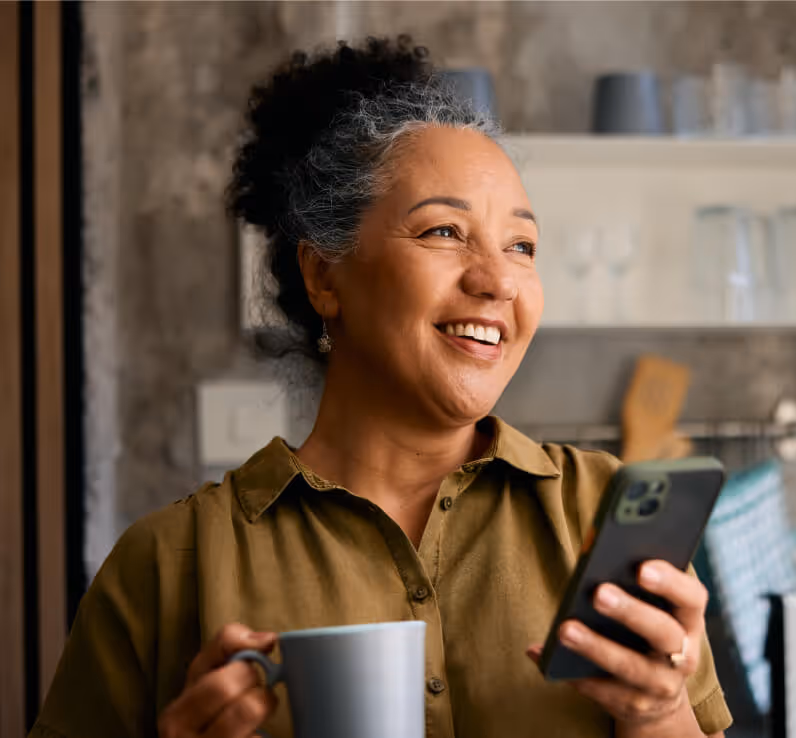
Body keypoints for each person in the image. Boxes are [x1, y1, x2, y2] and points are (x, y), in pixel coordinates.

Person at [30, 36, 731, 738]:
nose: (496, 281)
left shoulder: (600, 515)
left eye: (521, 246)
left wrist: (661, 712)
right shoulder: (167, 565)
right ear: (325, 277)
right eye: (444, 231)